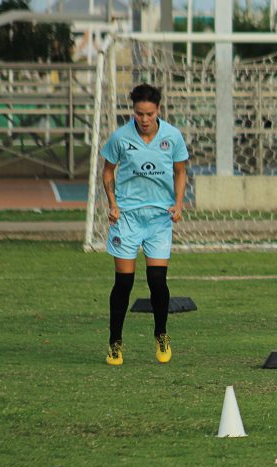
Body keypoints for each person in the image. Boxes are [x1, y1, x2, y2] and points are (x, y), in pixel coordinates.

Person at [101, 83, 189, 366]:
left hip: (159, 219)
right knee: (123, 283)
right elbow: (108, 171)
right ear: (133, 111)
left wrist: (179, 203)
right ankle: (115, 343)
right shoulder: (120, 137)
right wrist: (112, 204)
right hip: (127, 218)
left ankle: (161, 333)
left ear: (158, 110)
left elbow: (180, 172)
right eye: (139, 113)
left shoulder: (173, 137)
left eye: (149, 113)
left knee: (157, 280)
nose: (144, 119)